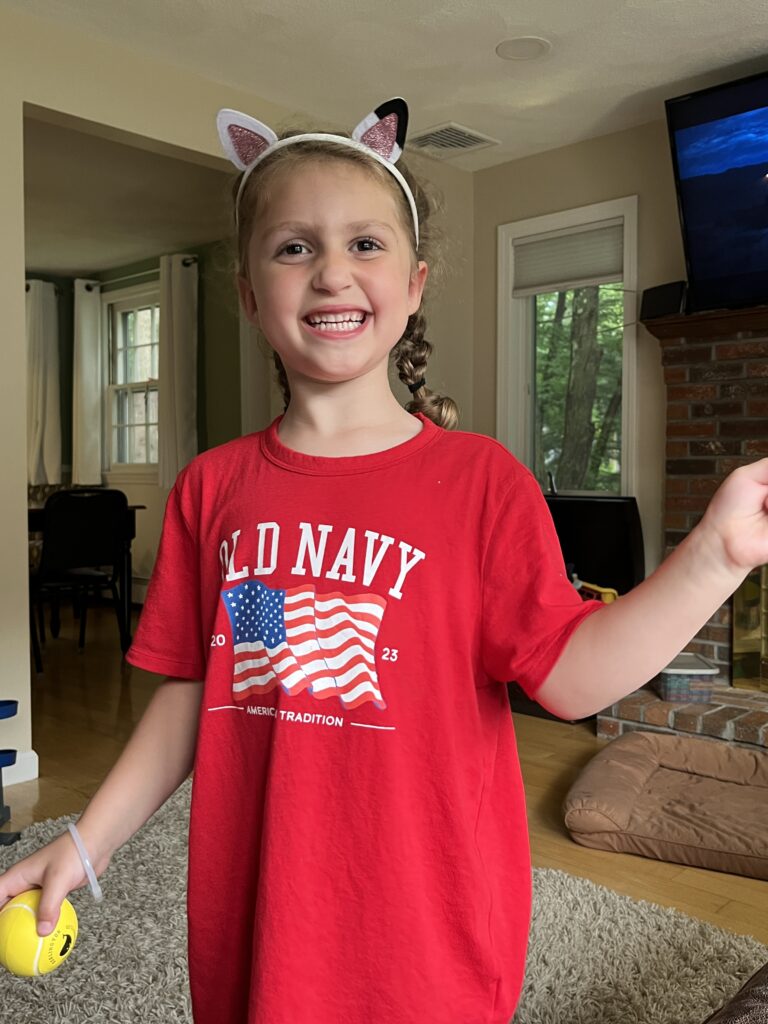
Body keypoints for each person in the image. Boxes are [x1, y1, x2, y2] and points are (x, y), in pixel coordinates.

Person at [2, 96, 768, 1024]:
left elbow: (571, 681)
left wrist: (716, 555)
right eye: (294, 247)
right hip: (257, 924)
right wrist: (86, 843)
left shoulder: (481, 483)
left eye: (365, 244)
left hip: (428, 938)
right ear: (248, 293)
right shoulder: (214, 490)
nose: (332, 272)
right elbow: (200, 691)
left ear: (413, 285)